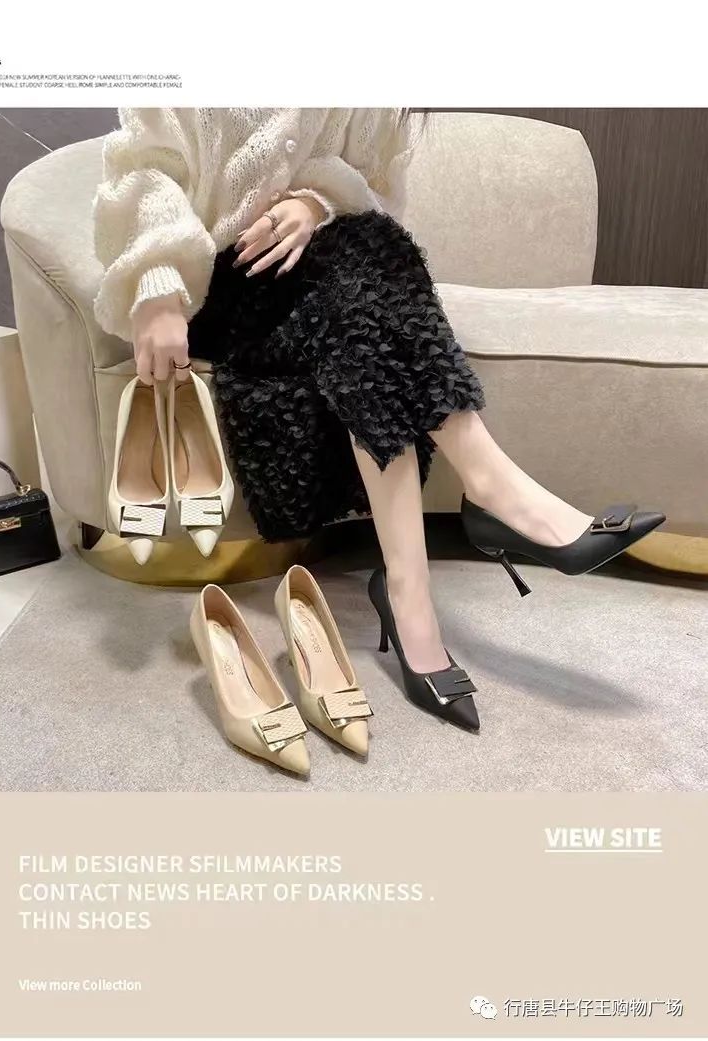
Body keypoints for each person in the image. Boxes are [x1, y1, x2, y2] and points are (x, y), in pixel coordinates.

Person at [93, 108, 663, 732]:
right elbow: (142, 165)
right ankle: (490, 499)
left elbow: (369, 182)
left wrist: (314, 203)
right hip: (216, 287)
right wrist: (156, 283)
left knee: (370, 260)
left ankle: (412, 590)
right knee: (370, 264)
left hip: (324, 263)